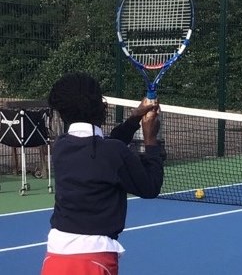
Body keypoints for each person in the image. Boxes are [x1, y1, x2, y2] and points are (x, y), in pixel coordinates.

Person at [41, 72, 164, 275]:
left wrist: (134, 118)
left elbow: (106, 145)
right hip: (94, 260)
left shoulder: (61, 145)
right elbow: (151, 187)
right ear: (102, 106)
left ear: (62, 113)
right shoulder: (113, 152)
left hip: (54, 258)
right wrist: (150, 138)